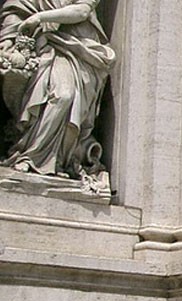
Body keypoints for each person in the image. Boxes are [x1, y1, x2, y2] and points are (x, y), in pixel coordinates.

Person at [0, 0, 115, 177]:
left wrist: (39, 17)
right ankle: (29, 156)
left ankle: (57, 161)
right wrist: (8, 38)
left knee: (65, 96)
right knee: (60, 96)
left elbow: (82, 11)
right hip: (43, 46)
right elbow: (18, 6)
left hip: (80, 48)